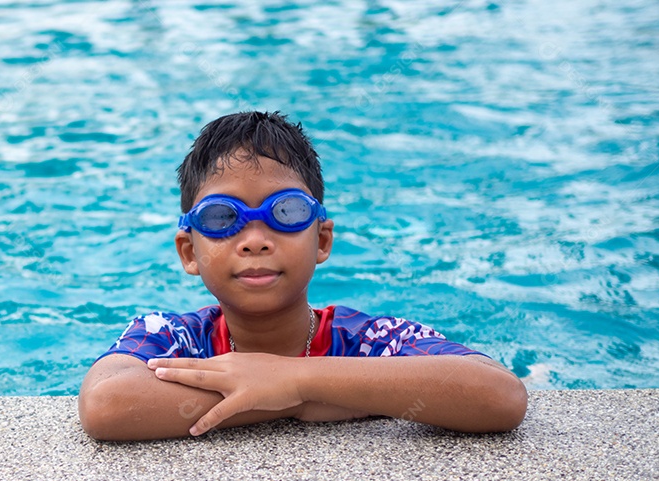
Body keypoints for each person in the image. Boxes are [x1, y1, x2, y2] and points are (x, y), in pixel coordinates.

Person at [79, 111, 527, 441]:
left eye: (285, 212)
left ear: (322, 241)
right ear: (189, 251)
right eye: (221, 218)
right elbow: (107, 405)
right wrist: (298, 399)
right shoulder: (173, 336)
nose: (255, 240)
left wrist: (294, 379)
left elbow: (498, 395)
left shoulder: (368, 339)